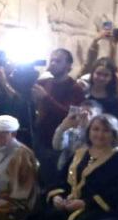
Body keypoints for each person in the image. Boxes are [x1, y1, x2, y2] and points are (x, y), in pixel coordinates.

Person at [32, 48, 85, 188]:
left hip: (59, 142)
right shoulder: (44, 82)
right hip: (39, 137)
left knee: (51, 182)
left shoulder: (75, 88)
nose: (53, 63)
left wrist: (46, 98)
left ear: (68, 66)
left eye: (58, 61)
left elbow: (70, 115)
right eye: (52, 60)